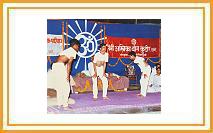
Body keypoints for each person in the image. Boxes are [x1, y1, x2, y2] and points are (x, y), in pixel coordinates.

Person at [47, 39, 80, 108]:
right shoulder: (73, 51)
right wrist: (68, 75)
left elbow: (61, 59)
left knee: (60, 86)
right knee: (66, 86)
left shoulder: (67, 50)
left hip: (55, 66)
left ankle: (59, 103)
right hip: (59, 66)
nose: (78, 48)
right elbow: (69, 64)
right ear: (75, 45)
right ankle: (65, 105)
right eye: (78, 46)